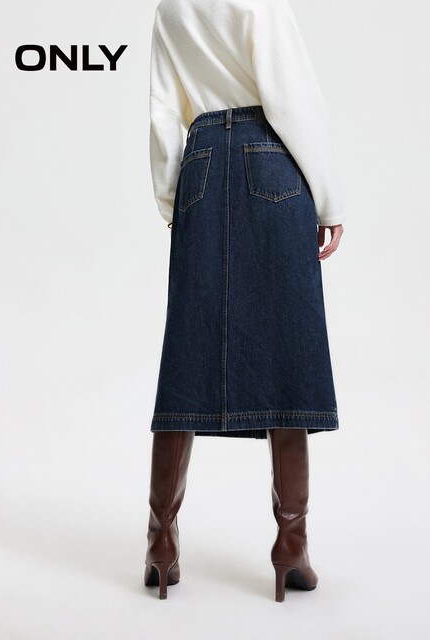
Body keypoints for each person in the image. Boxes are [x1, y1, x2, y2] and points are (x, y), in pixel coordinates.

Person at [144, 0, 345, 602]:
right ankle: (291, 546)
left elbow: (162, 112)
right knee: (288, 349)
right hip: (272, 160)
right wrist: (328, 199)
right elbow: (293, 98)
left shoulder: (170, 7)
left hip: (201, 163)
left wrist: (174, 201)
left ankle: (160, 542)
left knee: (187, 350)